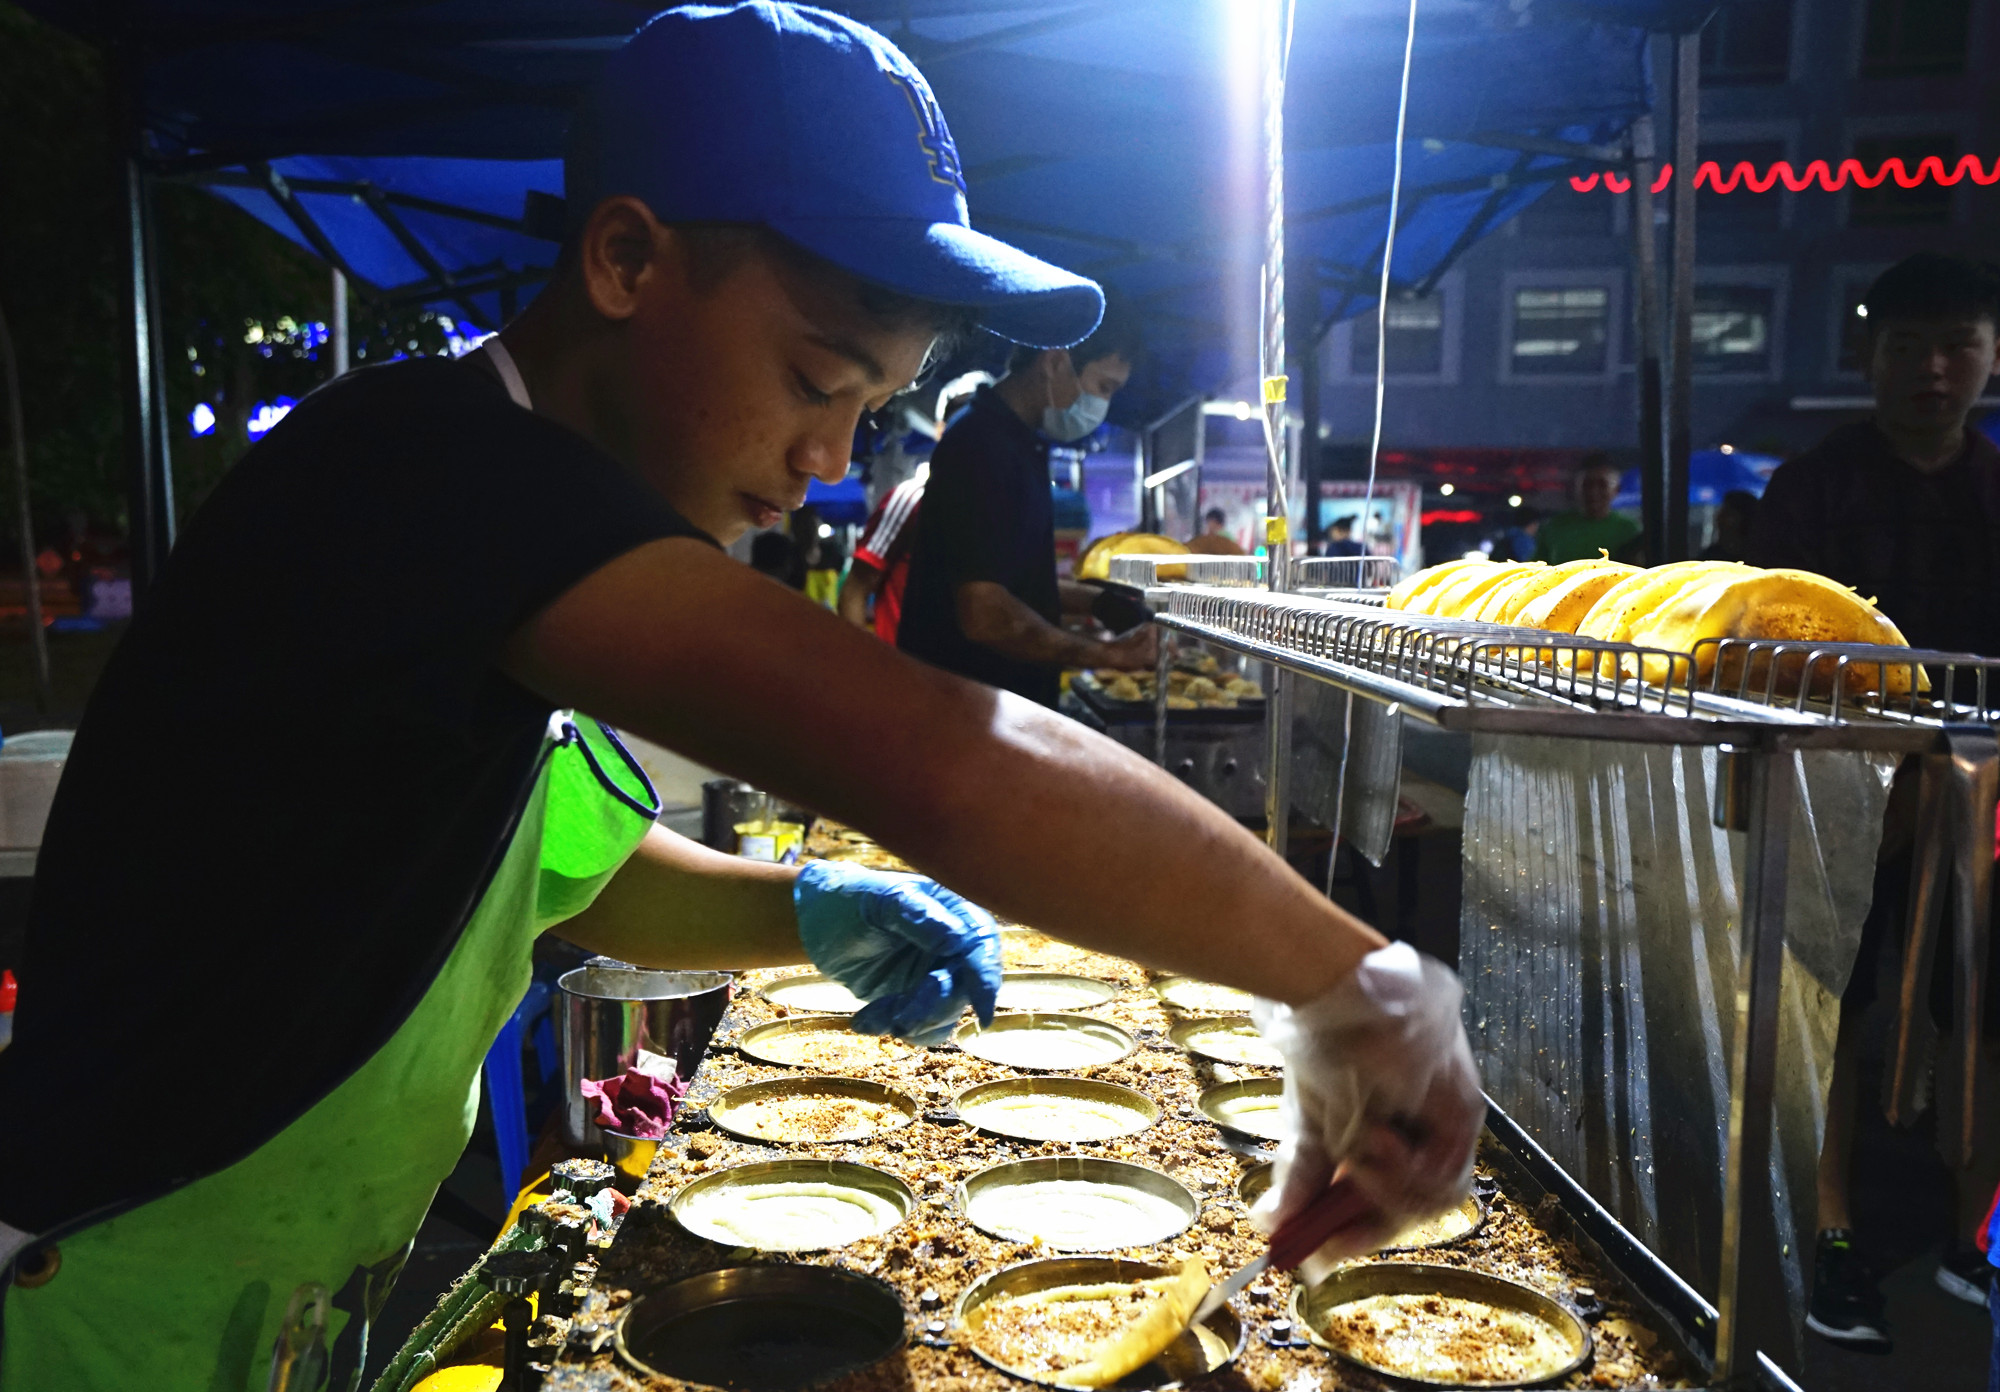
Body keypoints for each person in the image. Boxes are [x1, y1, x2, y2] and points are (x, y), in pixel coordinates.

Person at [0, 8, 1483, 1388]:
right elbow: (943, 761)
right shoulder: (429, 476)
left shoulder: (506, 547)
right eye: (810, 374)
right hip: (110, 1281)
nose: (826, 459)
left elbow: (549, 878)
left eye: (870, 407)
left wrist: (799, 911)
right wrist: (1358, 984)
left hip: (275, 1296)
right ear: (629, 261)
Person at [1750, 251, 2000, 1353]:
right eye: (1906, 346)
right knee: (1831, 1013)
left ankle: (1967, 1239)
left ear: (1989, 358)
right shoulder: (1809, 489)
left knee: (1987, 1015)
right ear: (1866, 358)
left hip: (1990, 800)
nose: (1932, 369)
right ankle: (1832, 1233)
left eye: (1956, 345)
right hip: (1846, 796)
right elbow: (1747, 644)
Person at [897, 314, 1156, 704]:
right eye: (1104, 387)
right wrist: (1106, 654)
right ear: (1054, 362)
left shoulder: (1020, 445)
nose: (1102, 404)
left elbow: (1014, 582)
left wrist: (1099, 603)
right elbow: (985, 613)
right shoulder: (981, 445)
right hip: (961, 715)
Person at [838, 372, 992, 639]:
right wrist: (870, 667)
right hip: (906, 671)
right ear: (941, 429)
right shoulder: (912, 499)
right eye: (961, 415)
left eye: (982, 418)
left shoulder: (999, 511)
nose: (972, 427)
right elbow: (856, 589)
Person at [1534, 453, 1639, 564]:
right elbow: (1535, 569)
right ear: (1575, 488)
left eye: (1602, 485)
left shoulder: (1629, 530)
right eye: (1587, 485)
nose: (1593, 492)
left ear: (1616, 490)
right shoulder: (1554, 527)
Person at [1699, 489, 1757, 562]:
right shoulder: (1710, 556)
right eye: (1721, 513)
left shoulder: (1758, 557)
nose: (1718, 519)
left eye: (1727, 514)